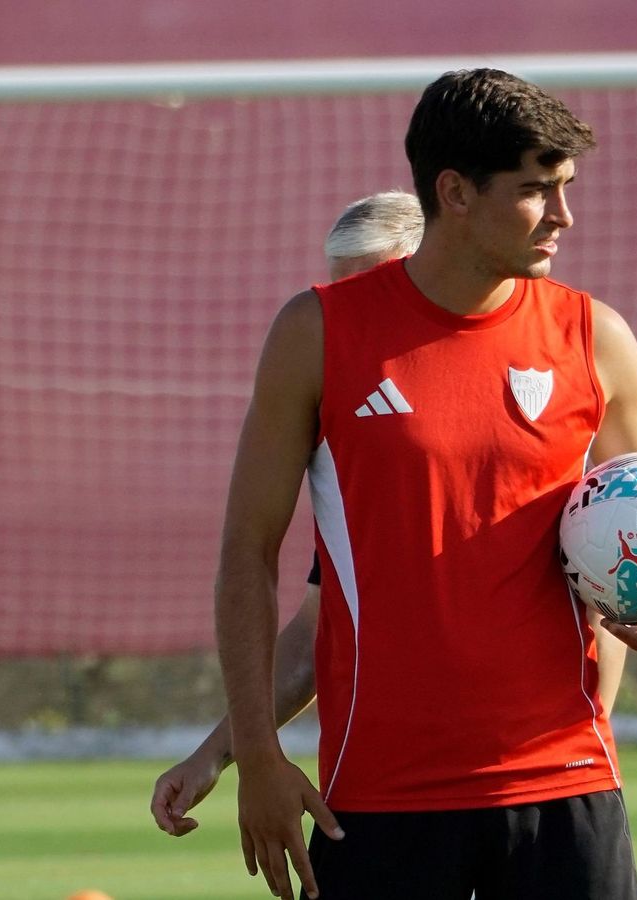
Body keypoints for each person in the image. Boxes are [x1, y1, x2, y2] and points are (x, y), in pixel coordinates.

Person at [215, 69, 637, 900]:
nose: (563, 216)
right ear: (453, 192)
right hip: (379, 802)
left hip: (566, 788)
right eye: (536, 191)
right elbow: (246, 552)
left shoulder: (594, 337)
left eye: (565, 188)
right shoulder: (317, 332)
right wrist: (255, 757)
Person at [149, 190, 424, 839]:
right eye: (340, 291)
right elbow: (314, 632)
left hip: (530, 791)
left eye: (375, 287)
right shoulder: (352, 437)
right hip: (387, 790)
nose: (351, 315)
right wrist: (219, 752)